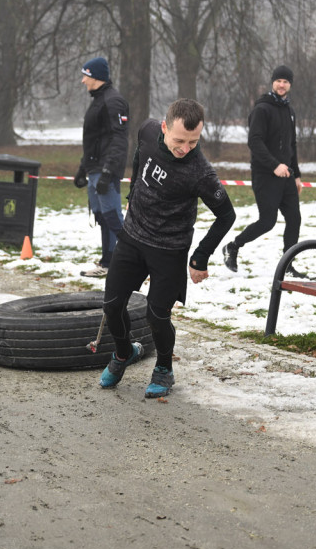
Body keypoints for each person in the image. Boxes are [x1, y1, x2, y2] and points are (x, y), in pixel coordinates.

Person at [97, 98, 235, 398]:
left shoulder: (201, 173)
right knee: (112, 305)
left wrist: (200, 257)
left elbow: (227, 215)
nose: (185, 148)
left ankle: (163, 368)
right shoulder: (147, 132)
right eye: (179, 140)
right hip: (133, 237)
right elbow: (139, 155)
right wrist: (133, 192)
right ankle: (123, 353)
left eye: (193, 141)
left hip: (170, 249)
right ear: (163, 127)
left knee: (157, 316)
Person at [222, 65, 303, 276]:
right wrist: (274, 165)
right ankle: (233, 246)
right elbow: (255, 142)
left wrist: (297, 175)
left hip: (287, 176)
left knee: (294, 219)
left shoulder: (289, 111)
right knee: (267, 222)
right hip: (265, 174)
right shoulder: (262, 109)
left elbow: (291, 145)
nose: (282, 84)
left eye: (286, 81)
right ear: (272, 82)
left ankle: (287, 265)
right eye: (279, 81)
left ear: (290, 85)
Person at [74, 56, 130, 278]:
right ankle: (107, 263)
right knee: (101, 215)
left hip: (106, 170)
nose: (82, 80)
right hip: (94, 168)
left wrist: (108, 171)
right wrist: (82, 168)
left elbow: (119, 139)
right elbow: (95, 140)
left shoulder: (113, 101)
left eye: (85, 75)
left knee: (113, 216)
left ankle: (137, 260)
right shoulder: (98, 100)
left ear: (95, 76)